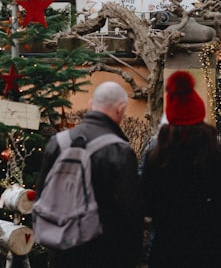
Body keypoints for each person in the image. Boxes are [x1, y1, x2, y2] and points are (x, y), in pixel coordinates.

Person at [141, 71, 221, 268]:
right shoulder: (215, 154)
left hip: (169, 248)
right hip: (210, 247)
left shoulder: (157, 157)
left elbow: (147, 205)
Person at [35, 81, 143, 268]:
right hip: (105, 254)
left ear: (91, 104)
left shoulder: (58, 142)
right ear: (121, 109)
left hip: (63, 250)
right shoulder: (120, 151)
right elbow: (130, 215)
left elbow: (41, 194)